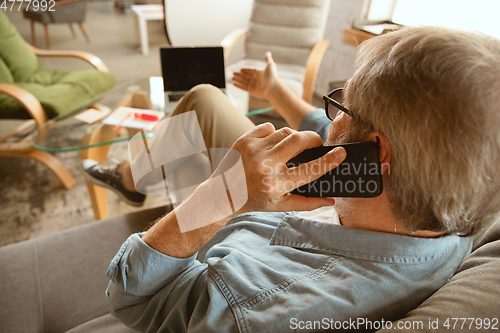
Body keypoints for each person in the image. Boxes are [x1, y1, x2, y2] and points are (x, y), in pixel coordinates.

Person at [104, 26, 500, 332]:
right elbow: (346, 136)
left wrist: (222, 195)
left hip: (237, 222)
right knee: (206, 98)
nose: (331, 112)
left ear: (376, 154)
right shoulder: (458, 203)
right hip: (318, 204)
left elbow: (132, 300)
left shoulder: (253, 308)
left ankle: (132, 178)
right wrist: (274, 90)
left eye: (343, 103)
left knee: (191, 125)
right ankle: (132, 176)